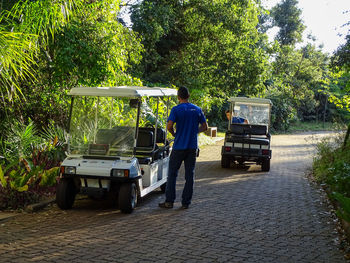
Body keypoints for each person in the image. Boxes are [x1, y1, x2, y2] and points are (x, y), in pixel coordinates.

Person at [159, 86, 207, 209]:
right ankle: (186, 202)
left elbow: (169, 125)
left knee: (172, 173)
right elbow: (205, 126)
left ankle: (169, 201)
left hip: (179, 146)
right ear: (188, 96)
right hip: (192, 147)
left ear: (178, 97)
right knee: (190, 175)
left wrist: (174, 133)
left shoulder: (176, 109)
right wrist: (195, 131)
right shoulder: (197, 109)